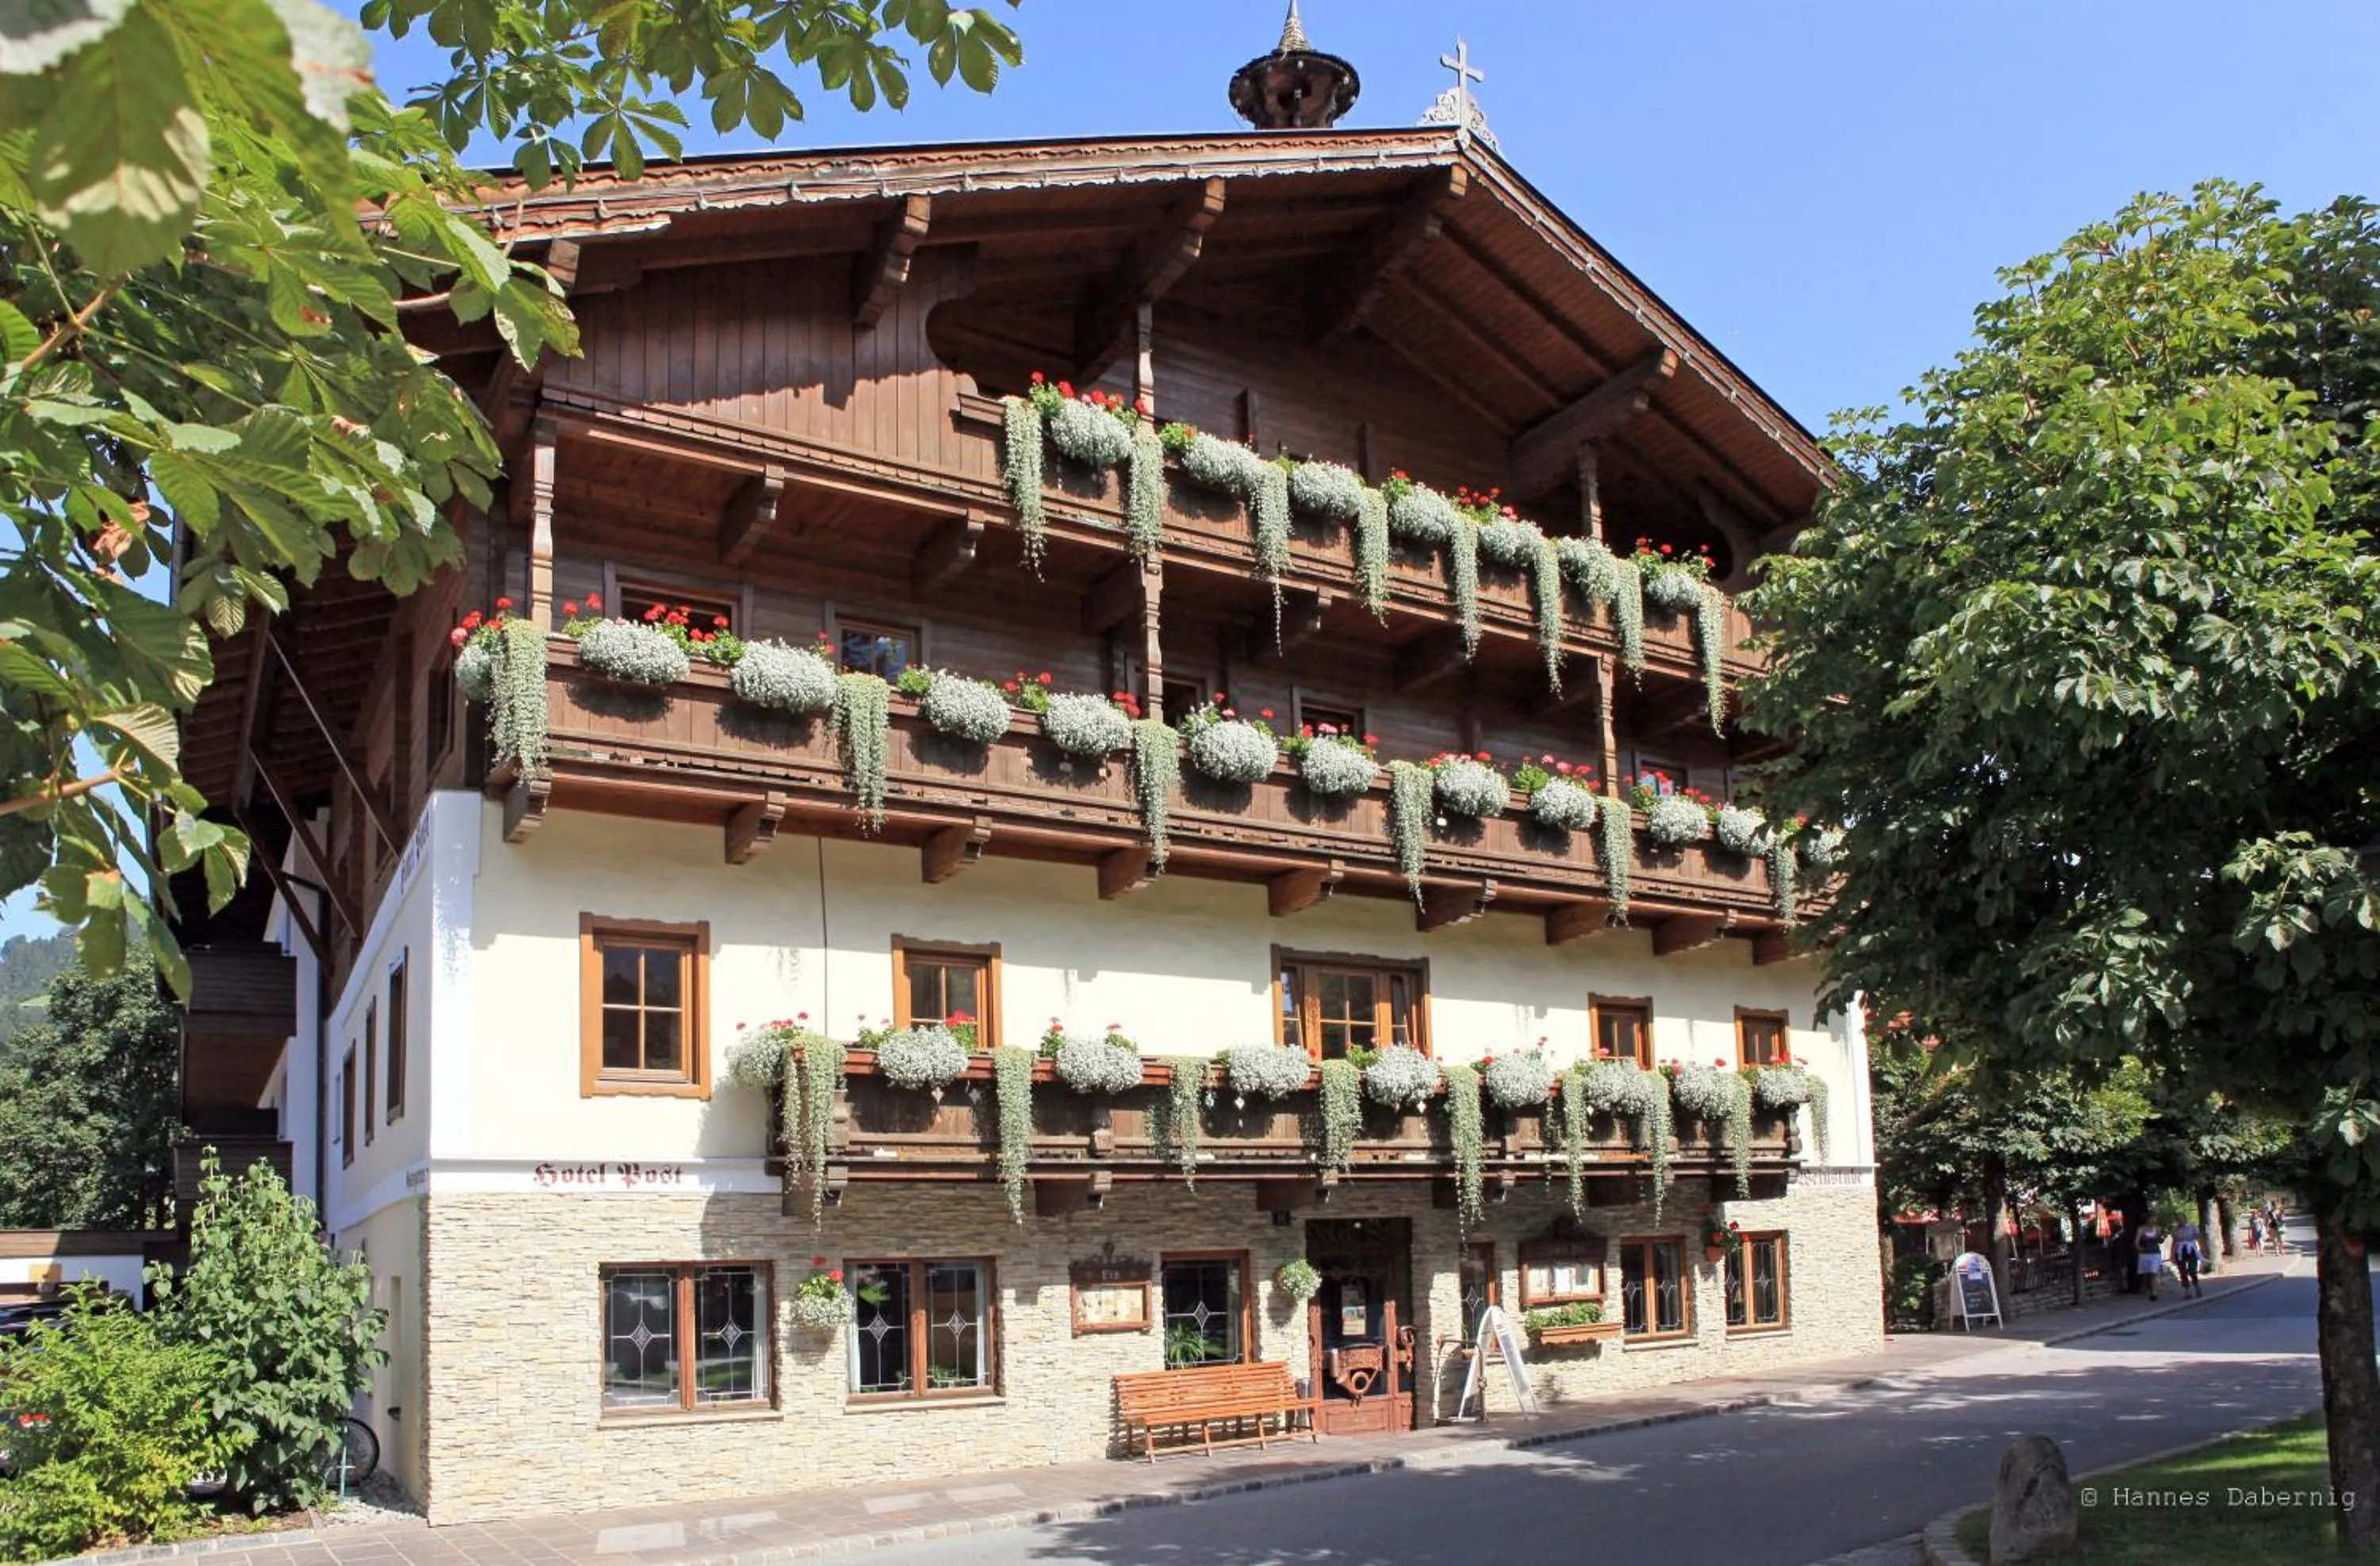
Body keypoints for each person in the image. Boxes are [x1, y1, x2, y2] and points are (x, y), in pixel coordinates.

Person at [2171, 1217, 2205, 1299]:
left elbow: (2197, 1236)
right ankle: (2187, 1291)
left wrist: (2200, 1247)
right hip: (2180, 1249)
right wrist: (2172, 1254)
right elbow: (2174, 1242)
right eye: (2178, 1220)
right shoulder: (2175, 1230)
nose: (2180, 1221)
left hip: (2190, 1248)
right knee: (2182, 1271)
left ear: (2185, 1220)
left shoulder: (2192, 1227)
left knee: (2192, 1269)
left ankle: (2197, 1287)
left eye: (2181, 1219)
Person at [2135, 1215, 2167, 1301]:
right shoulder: (2141, 1229)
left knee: (2153, 1272)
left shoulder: (2158, 1229)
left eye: (2154, 1218)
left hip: (2155, 1253)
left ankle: (2154, 1292)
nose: (2153, 1220)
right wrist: (2139, 1248)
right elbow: (2137, 1242)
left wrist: (2163, 1236)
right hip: (2145, 1253)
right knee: (2146, 1273)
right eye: (2151, 1218)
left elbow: (2160, 1240)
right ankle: (2147, 1288)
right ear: (2147, 1219)